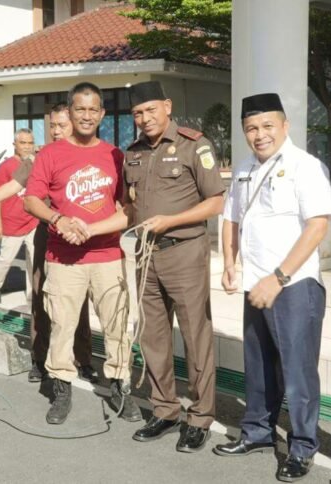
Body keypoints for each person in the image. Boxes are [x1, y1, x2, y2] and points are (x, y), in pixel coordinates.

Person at [84, 81, 225, 452]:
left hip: (185, 251)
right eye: (137, 113)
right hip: (146, 254)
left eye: (150, 110)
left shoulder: (195, 144)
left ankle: (199, 416)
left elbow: (216, 202)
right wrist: (91, 228)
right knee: (152, 335)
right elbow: (129, 210)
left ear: (166, 105)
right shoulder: (132, 153)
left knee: (196, 336)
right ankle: (164, 410)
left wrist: (170, 222)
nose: (144, 119)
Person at [216, 93, 331, 482]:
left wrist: (279, 277)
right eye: (251, 128)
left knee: (298, 372)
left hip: (293, 286)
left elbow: (318, 226)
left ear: (285, 126)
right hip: (255, 284)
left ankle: (301, 448)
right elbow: (231, 218)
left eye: (268, 126)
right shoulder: (244, 169)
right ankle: (257, 433)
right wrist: (229, 262)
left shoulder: (305, 166)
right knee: (259, 366)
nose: (260, 134)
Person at [23, 82, 141, 425]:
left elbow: (128, 209)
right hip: (63, 260)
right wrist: (58, 218)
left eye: (93, 110)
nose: (86, 116)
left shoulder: (114, 155)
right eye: (80, 109)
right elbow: (31, 200)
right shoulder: (51, 154)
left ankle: (120, 386)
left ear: (102, 114)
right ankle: (61, 388)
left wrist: (90, 229)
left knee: (118, 326)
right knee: (62, 326)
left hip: (107, 257)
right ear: (69, 113)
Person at [0, 104, 96, 384]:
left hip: (78, 239)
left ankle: (83, 359)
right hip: (46, 234)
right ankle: (39, 360)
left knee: (78, 302)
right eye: (52, 125)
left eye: (62, 125)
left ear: (76, 124)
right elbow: (13, 187)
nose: (55, 131)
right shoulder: (38, 158)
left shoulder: (89, 154)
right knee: (40, 298)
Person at [0, 129, 38, 304]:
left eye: (30, 143)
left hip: (32, 221)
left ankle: (32, 293)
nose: (27, 147)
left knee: (34, 257)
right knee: (5, 260)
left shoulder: (35, 163)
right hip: (11, 224)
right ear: (14, 144)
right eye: (23, 143)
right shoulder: (6, 167)